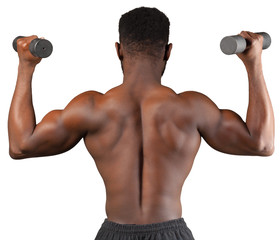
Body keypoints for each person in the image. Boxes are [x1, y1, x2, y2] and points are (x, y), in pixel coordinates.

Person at [8, 6, 274, 240]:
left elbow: (21, 146)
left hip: (114, 234)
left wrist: (26, 66)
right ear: (168, 52)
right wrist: (254, 63)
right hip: (173, 234)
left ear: (118, 50)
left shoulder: (90, 107)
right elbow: (261, 144)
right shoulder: (192, 108)